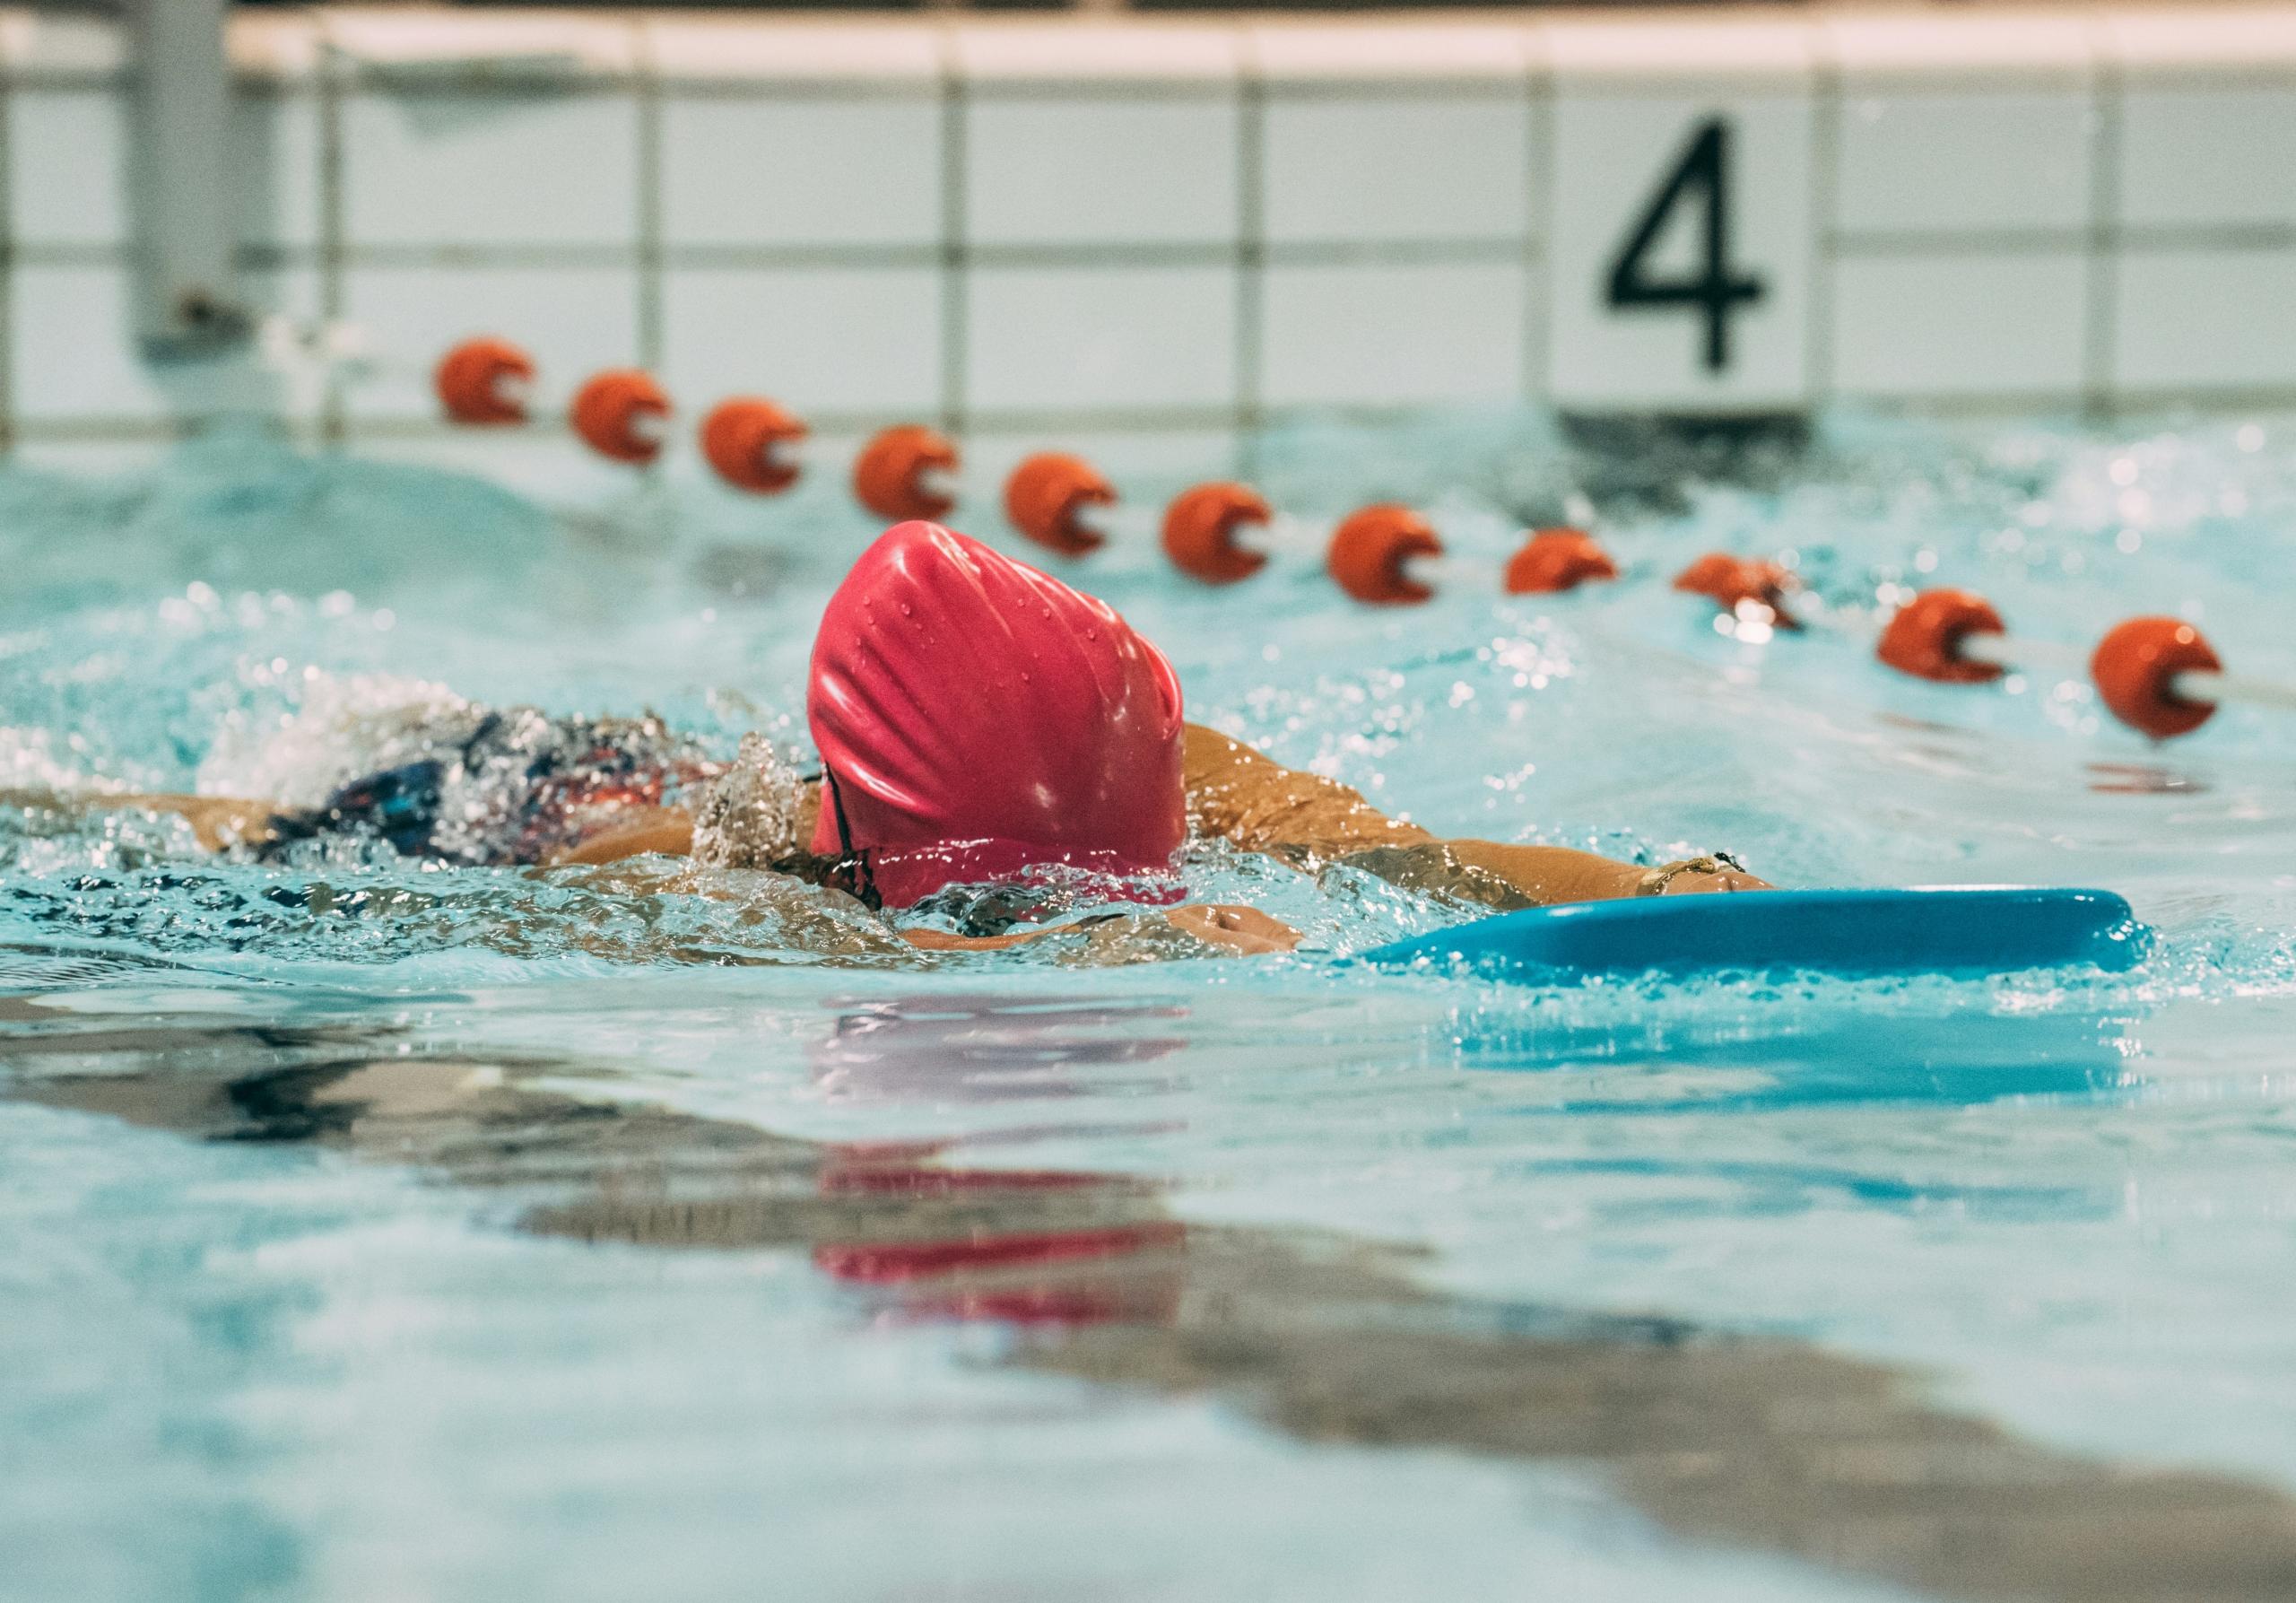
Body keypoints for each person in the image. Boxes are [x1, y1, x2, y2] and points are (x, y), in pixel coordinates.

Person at [13, 522, 1767, 960]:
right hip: (452, 805)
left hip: (657, 756)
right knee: (214, 835)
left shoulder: (1163, 762)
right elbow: (925, 969)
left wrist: (1637, 891)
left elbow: (1397, 852)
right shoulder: (696, 884)